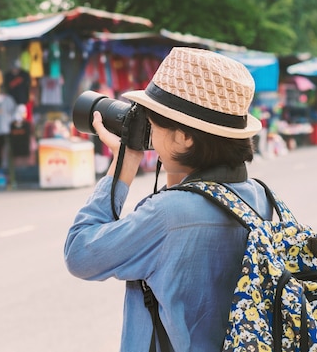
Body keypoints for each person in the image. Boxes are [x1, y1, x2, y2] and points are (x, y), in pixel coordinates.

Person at [64, 47, 274, 352]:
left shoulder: (168, 216)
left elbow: (80, 254)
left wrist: (124, 163)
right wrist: (174, 161)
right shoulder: (262, 197)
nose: (149, 129)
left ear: (185, 137)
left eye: (154, 121)